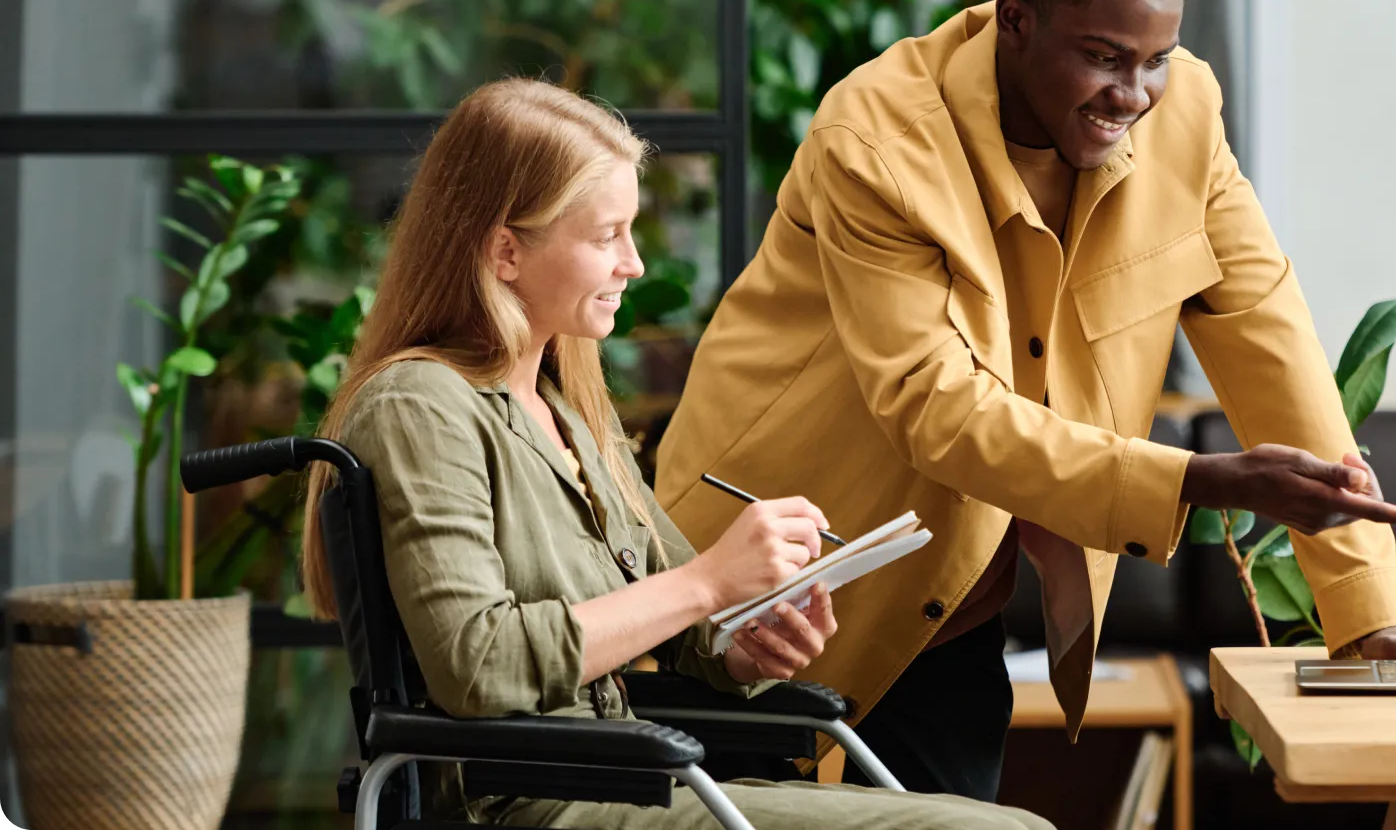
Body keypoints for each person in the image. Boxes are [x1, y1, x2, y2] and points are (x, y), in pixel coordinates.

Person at [656, 0, 1396, 803]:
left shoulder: (1189, 119)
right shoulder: (878, 139)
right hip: (754, 591)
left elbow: (1270, 343)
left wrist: (1367, 616)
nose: (1132, 93)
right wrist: (1199, 479)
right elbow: (935, 407)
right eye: (1103, 57)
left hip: (946, 606)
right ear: (1015, 18)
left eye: (1155, 60)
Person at [296, 79, 1055, 830]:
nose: (633, 263)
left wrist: (742, 644)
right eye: (606, 237)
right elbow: (477, 664)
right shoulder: (419, 406)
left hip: (626, 781)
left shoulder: (566, 408)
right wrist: (706, 583)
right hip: (527, 802)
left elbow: (683, 617)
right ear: (504, 252)